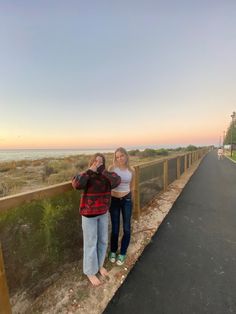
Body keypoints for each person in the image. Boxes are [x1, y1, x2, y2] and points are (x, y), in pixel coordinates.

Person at [72, 153, 121, 286]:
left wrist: (103, 171)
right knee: (90, 243)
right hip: (89, 215)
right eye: (96, 161)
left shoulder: (106, 176)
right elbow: (76, 184)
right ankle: (90, 271)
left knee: (103, 240)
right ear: (91, 162)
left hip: (103, 213)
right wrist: (90, 171)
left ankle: (99, 266)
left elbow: (117, 181)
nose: (98, 163)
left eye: (101, 162)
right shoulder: (86, 175)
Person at [108, 147, 134, 266]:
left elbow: (132, 186)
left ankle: (122, 252)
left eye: (121, 156)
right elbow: (107, 185)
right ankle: (113, 251)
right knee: (115, 228)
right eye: (117, 157)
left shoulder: (132, 170)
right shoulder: (112, 168)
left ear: (126, 156)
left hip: (127, 200)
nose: (119, 159)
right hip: (114, 201)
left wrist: (130, 198)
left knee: (127, 227)